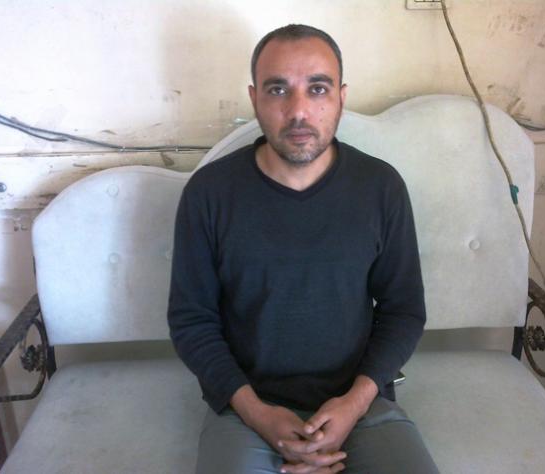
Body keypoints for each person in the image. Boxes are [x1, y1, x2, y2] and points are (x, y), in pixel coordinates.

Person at [168, 24, 439, 474]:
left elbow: (404, 310)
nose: (298, 111)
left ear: (341, 97)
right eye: (278, 89)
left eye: (317, 88)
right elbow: (191, 320)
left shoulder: (380, 187)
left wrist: (355, 403)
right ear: (255, 98)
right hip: (247, 407)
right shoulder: (209, 194)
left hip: (358, 402)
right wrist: (258, 414)